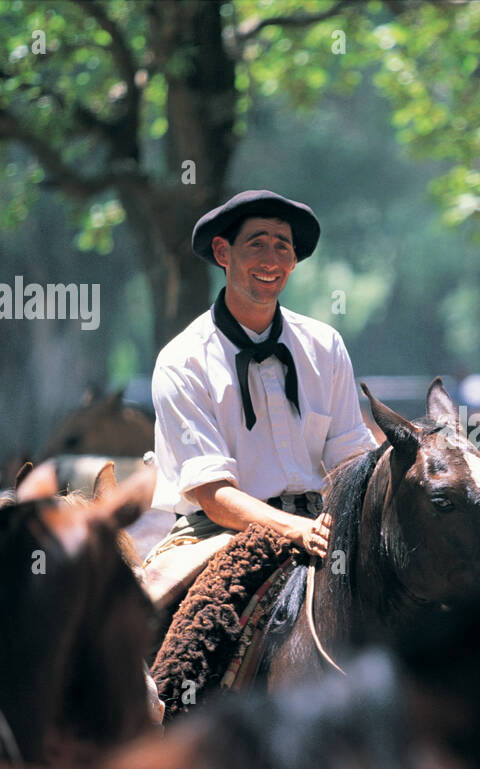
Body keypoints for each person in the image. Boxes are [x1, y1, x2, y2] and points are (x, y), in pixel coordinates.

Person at [142, 190, 376, 594]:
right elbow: (214, 496)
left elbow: (351, 462)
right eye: (257, 243)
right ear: (222, 252)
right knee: (175, 635)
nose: (271, 260)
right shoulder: (182, 360)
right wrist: (293, 529)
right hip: (214, 533)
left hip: (323, 525)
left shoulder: (326, 345)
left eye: (282, 246)